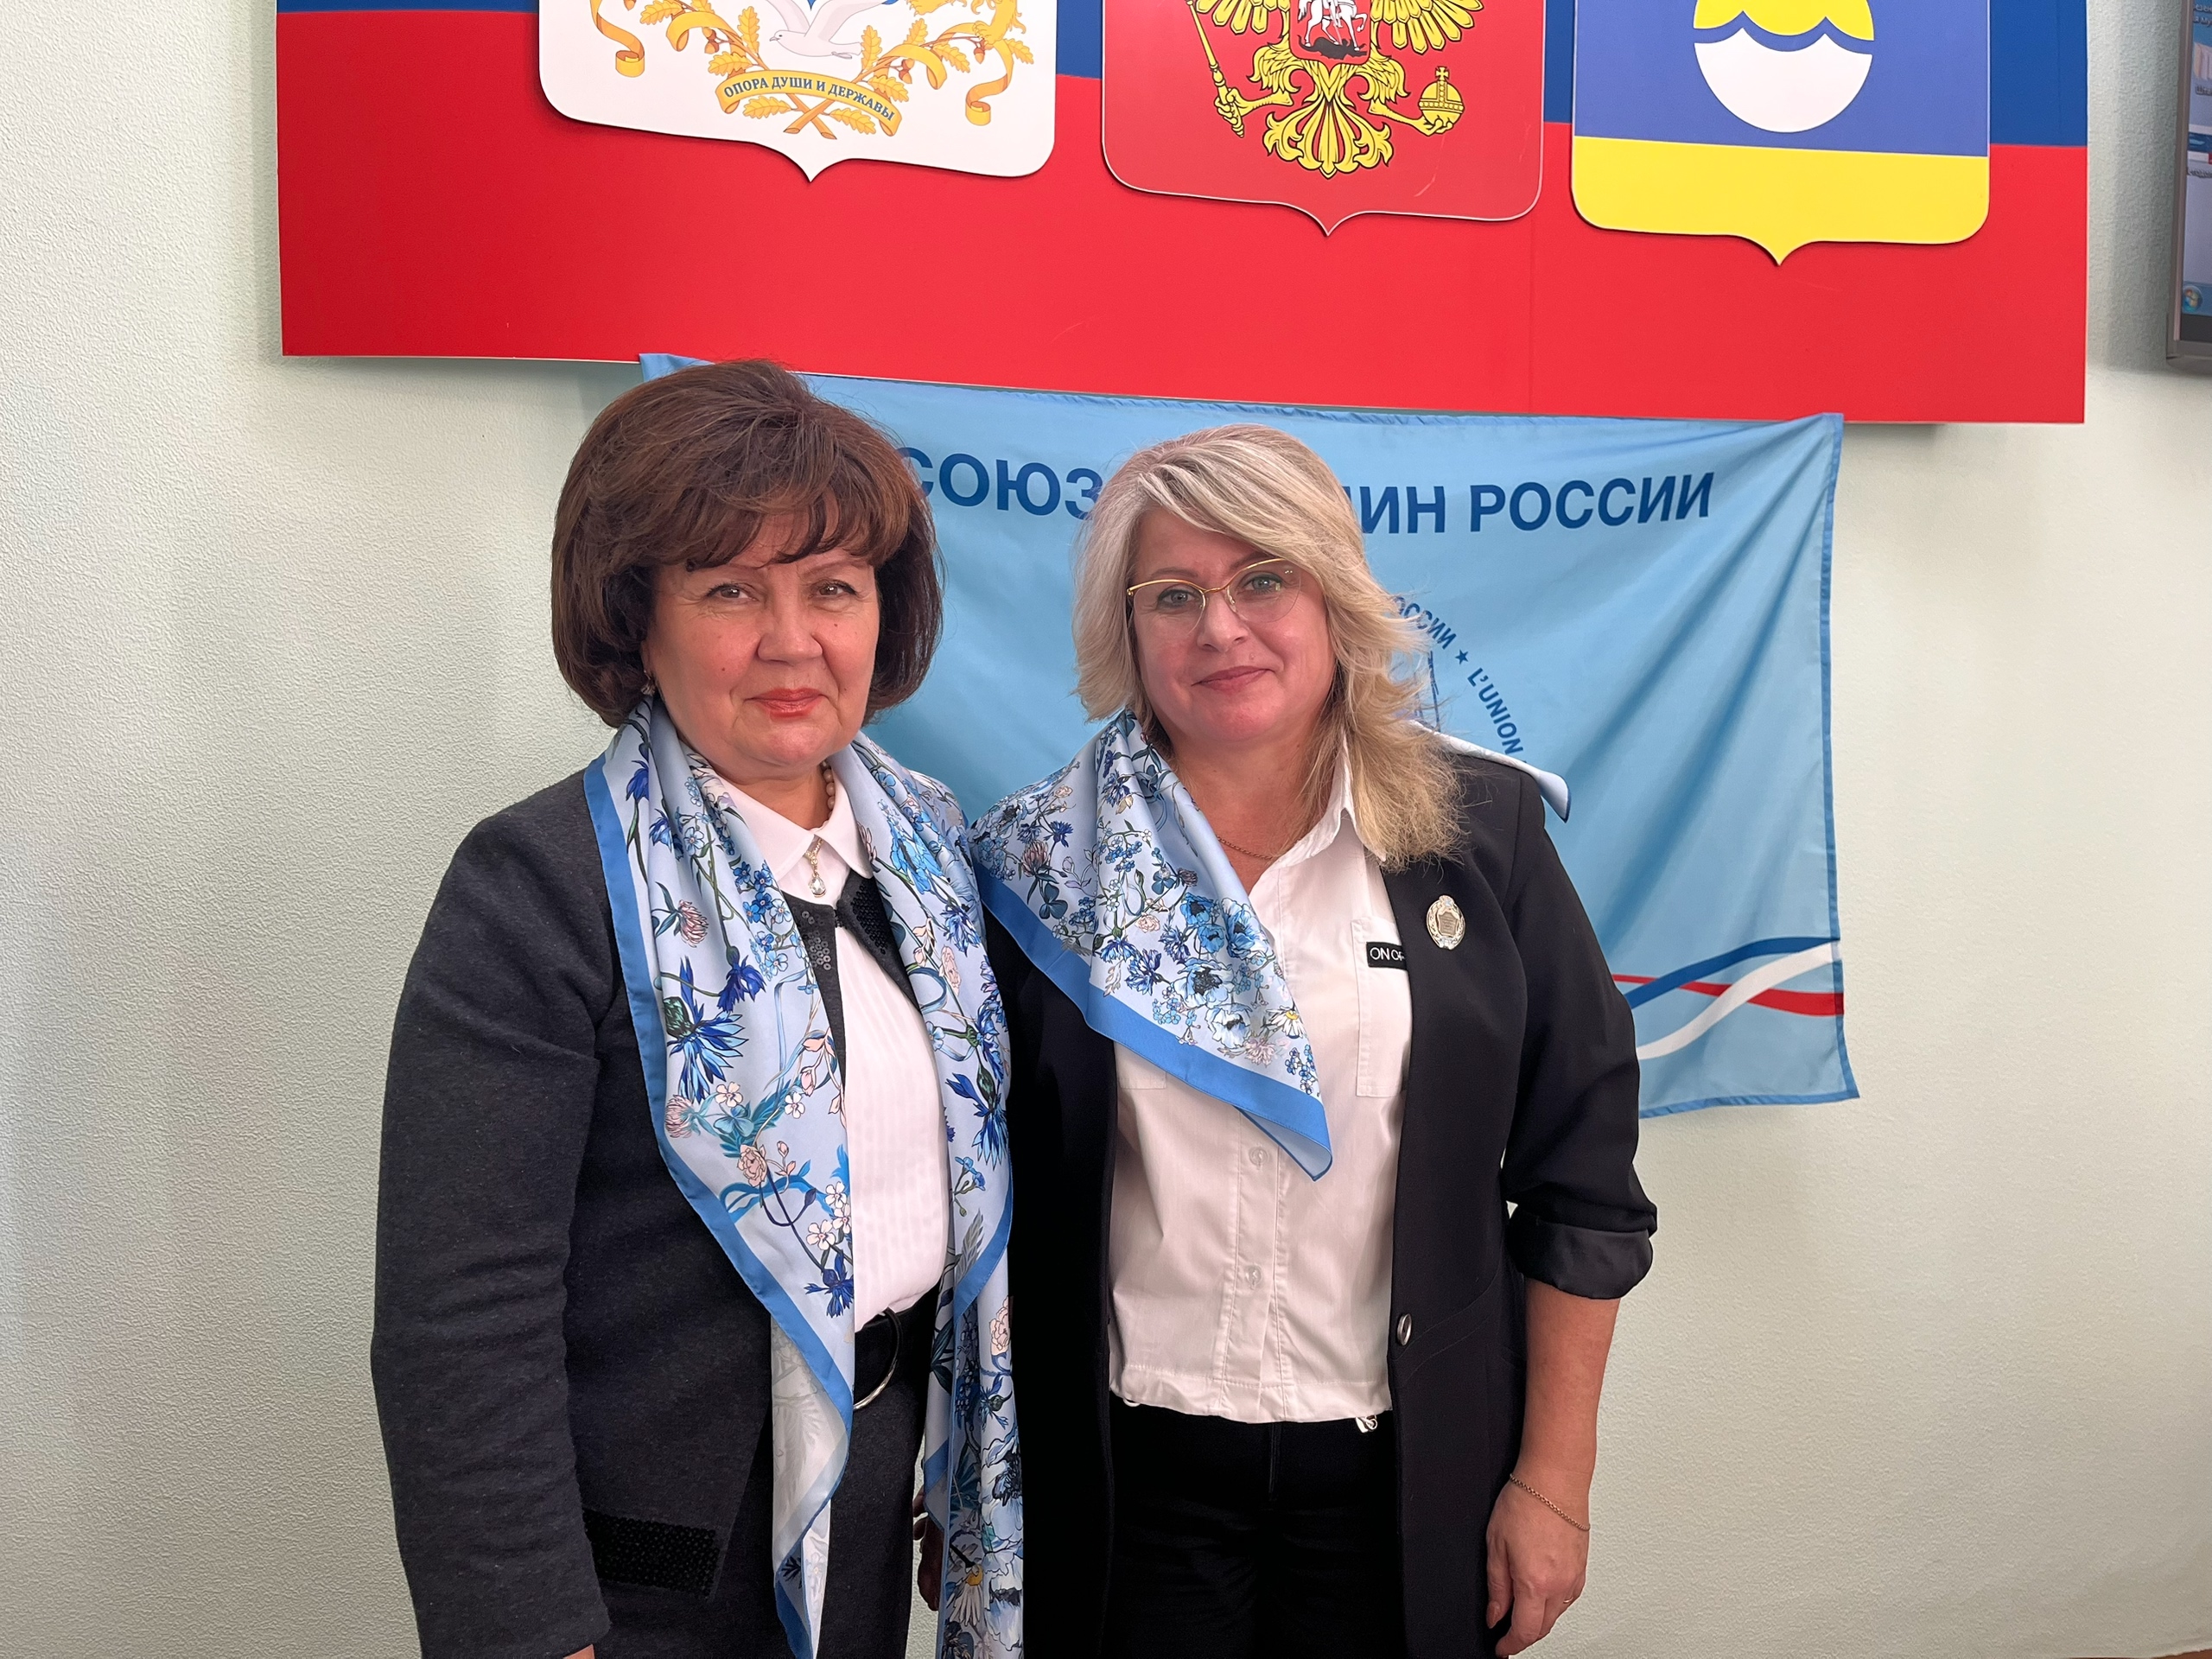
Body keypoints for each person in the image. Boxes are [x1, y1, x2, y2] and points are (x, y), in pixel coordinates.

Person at [968, 424, 1656, 1659]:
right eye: (1173, 595)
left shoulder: (1480, 835)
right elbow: (969, 1197)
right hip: (1125, 1488)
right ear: (1127, 632)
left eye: (1263, 580)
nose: (1221, 629)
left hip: (1406, 1488)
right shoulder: (1037, 867)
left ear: (1335, 602)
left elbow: (1584, 1183)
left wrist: (1554, 1482)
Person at [372, 360, 1020, 1659]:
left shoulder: (934, 855)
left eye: (833, 587)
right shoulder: (542, 884)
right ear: (637, 623)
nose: (792, 640)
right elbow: (462, 1314)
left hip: (869, 1508)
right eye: (730, 589)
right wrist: (528, 1628)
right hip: (645, 1579)